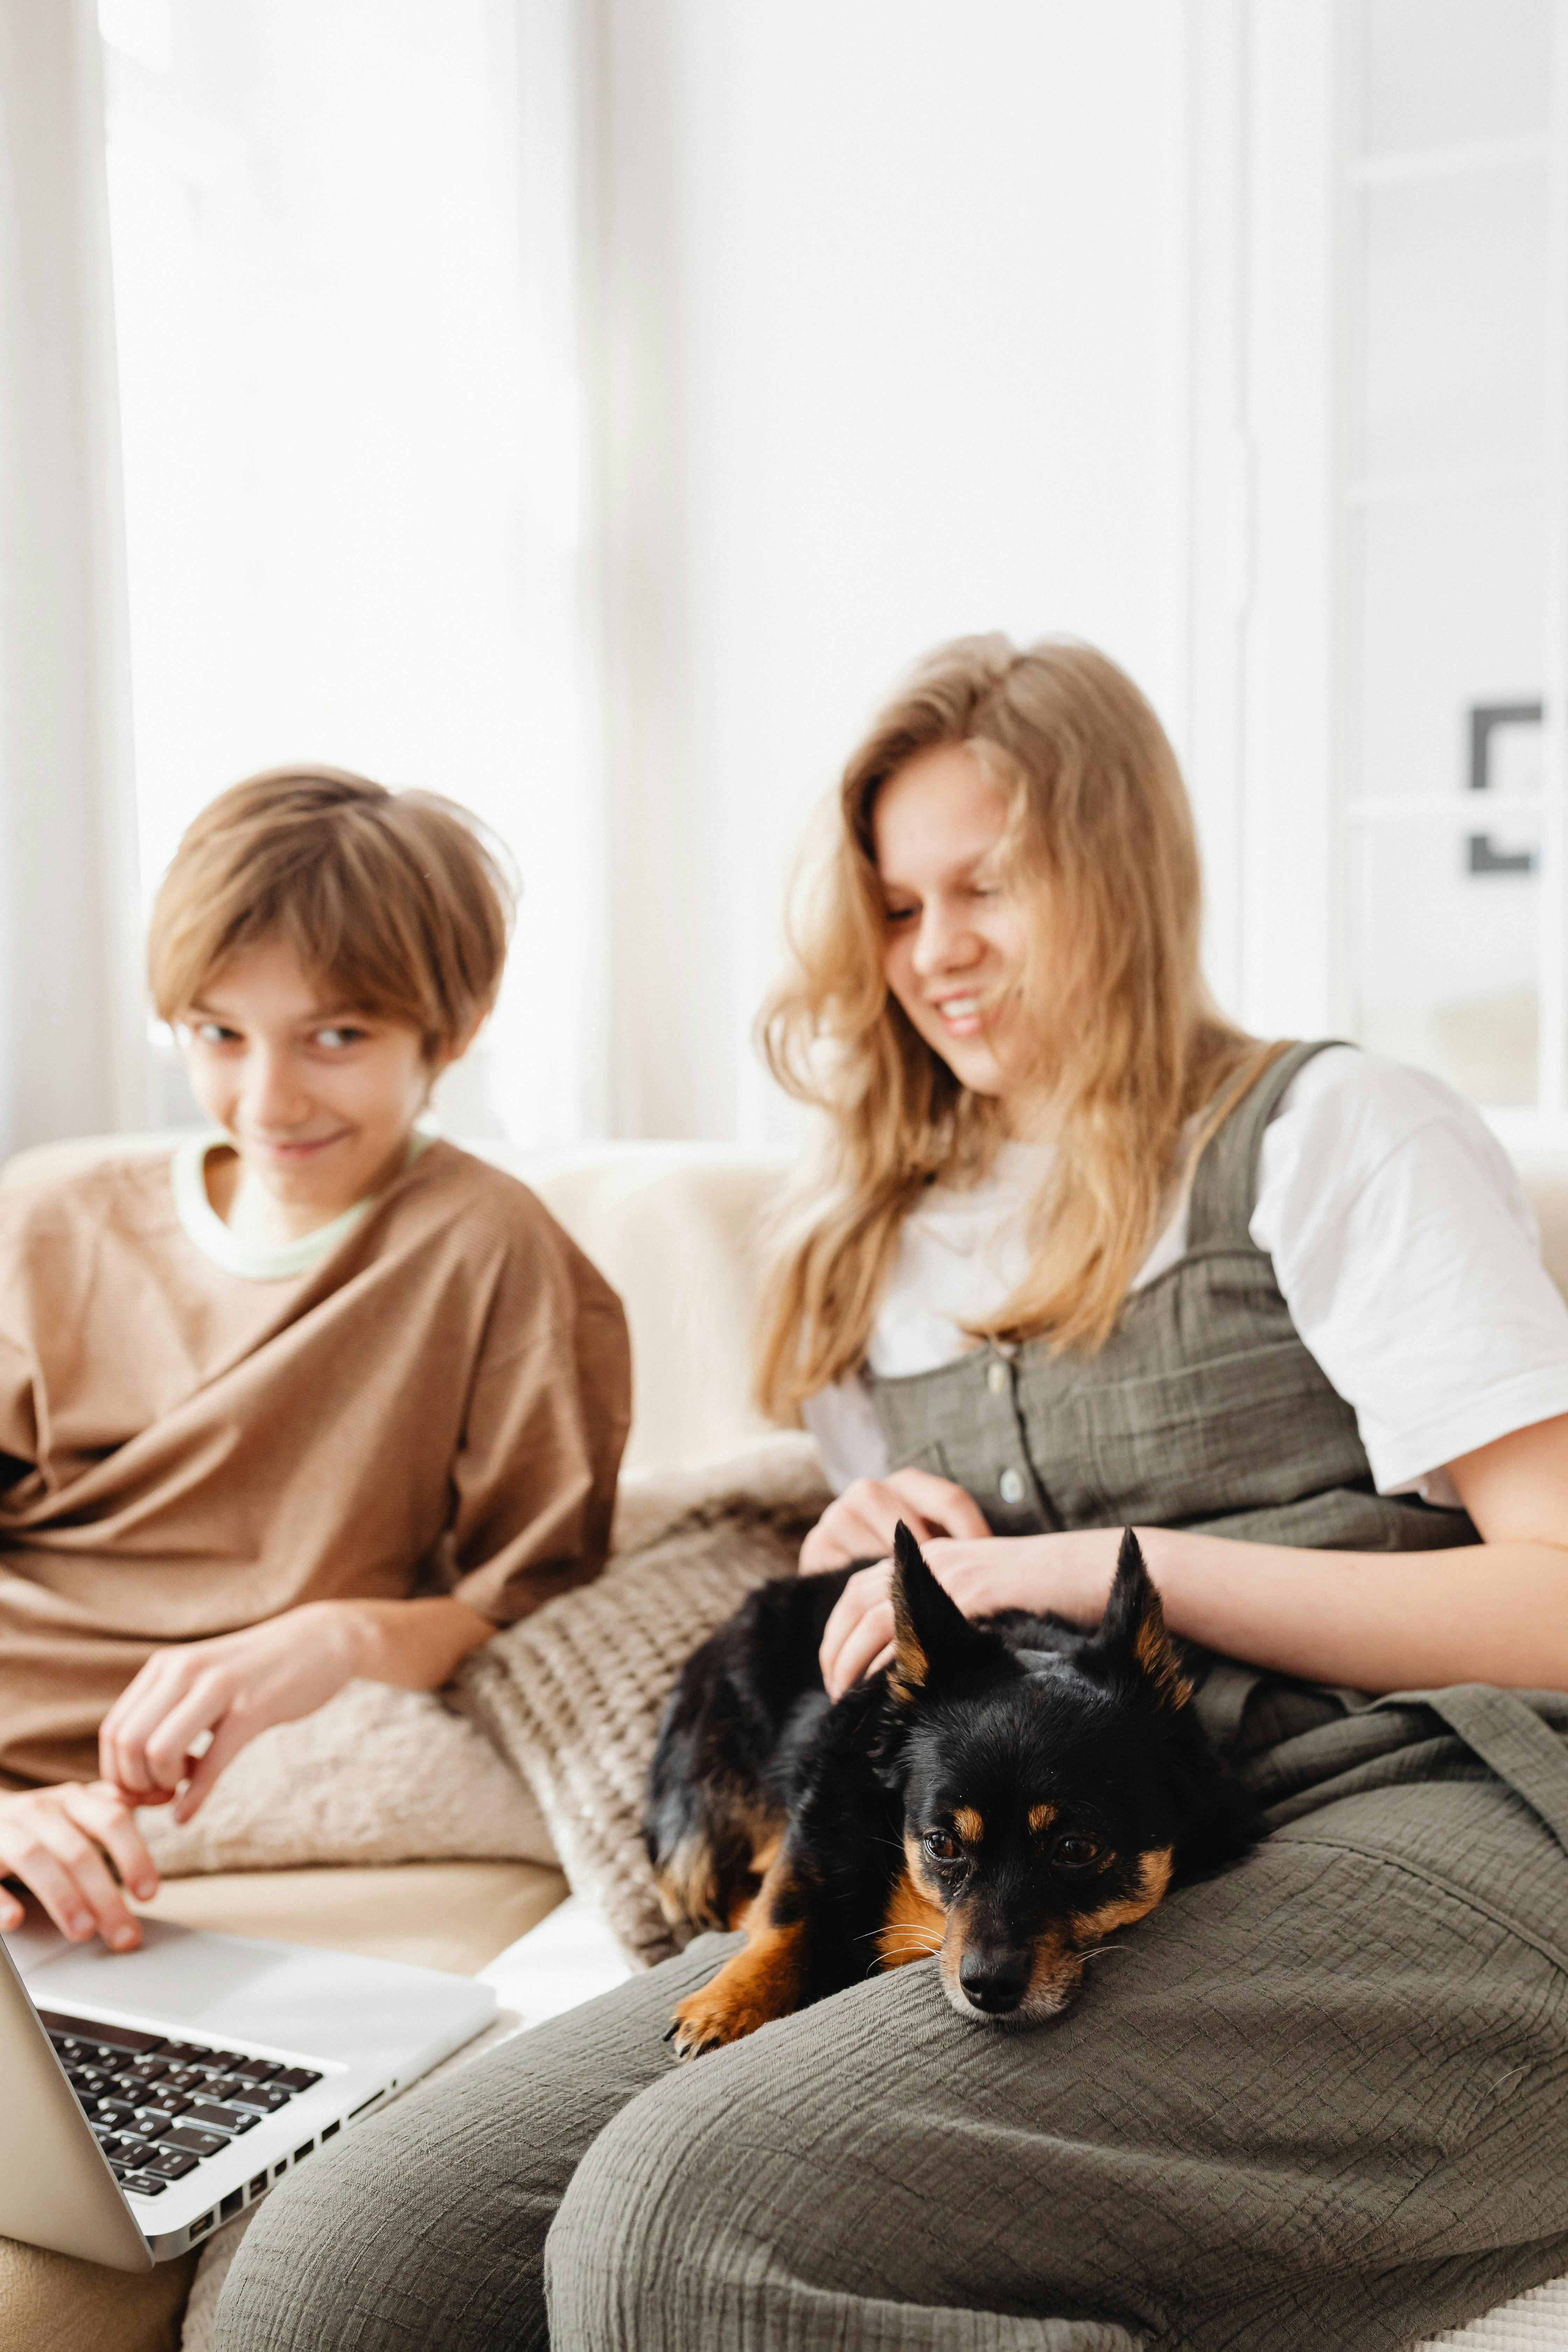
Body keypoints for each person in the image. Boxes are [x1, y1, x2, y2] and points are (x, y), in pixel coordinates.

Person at [215, 643, 1568, 2352]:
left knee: (679, 2245)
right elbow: (936, 1645)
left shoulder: (1331, 1129)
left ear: (1120, 872)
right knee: (336, 2273)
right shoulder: (870, 1243)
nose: (937, 956)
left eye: (984, 886)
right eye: (896, 907)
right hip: (1036, 1849)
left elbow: (1557, 1599)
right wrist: (878, 1555)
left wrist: (1075, 1564)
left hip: (1428, 1803)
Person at [0, 768, 630, 1953]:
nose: (267, 1098)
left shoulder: (495, 1256)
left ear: (453, 1029)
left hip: (141, 1801)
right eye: (217, 1035)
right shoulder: (49, 1219)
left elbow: (527, 1600)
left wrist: (340, 1637)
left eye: (335, 1037)